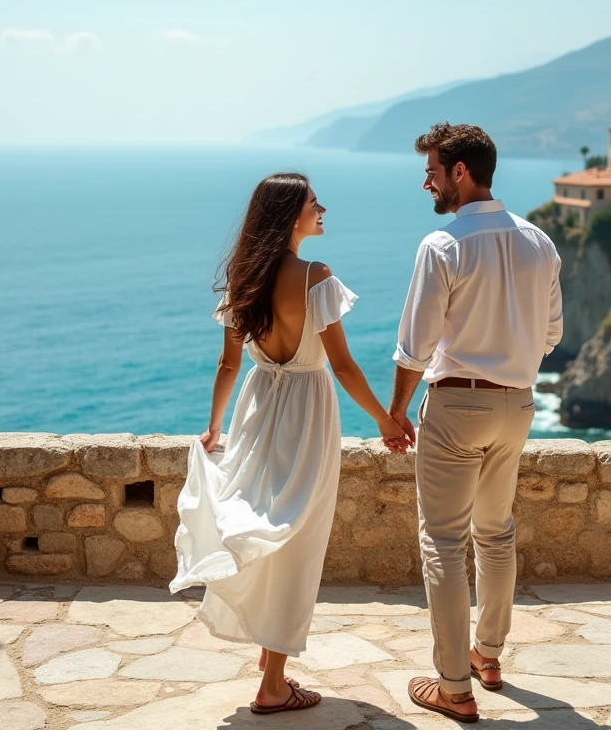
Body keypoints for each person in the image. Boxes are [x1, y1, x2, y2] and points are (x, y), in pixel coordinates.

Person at [169, 172, 411, 716]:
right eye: (313, 203)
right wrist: (384, 421)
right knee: (297, 537)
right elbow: (342, 366)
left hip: (257, 407)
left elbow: (228, 363)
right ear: (290, 216)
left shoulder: (244, 278)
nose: (323, 209)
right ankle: (274, 685)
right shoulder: (315, 278)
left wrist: (214, 426)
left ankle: (267, 656)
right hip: (306, 410)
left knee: (268, 519)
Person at [388, 124, 564, 723]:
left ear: (460, 172)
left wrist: (396, 412)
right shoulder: (539, 241)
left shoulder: (442, 244)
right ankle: (487, 656)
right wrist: (510, 358)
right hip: (517, 405)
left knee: (442, 541)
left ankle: (453, 688)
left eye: (432, 171)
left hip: (458, 405)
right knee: (496, 532)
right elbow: (551, 334)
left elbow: (415, 347)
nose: (427, 183)